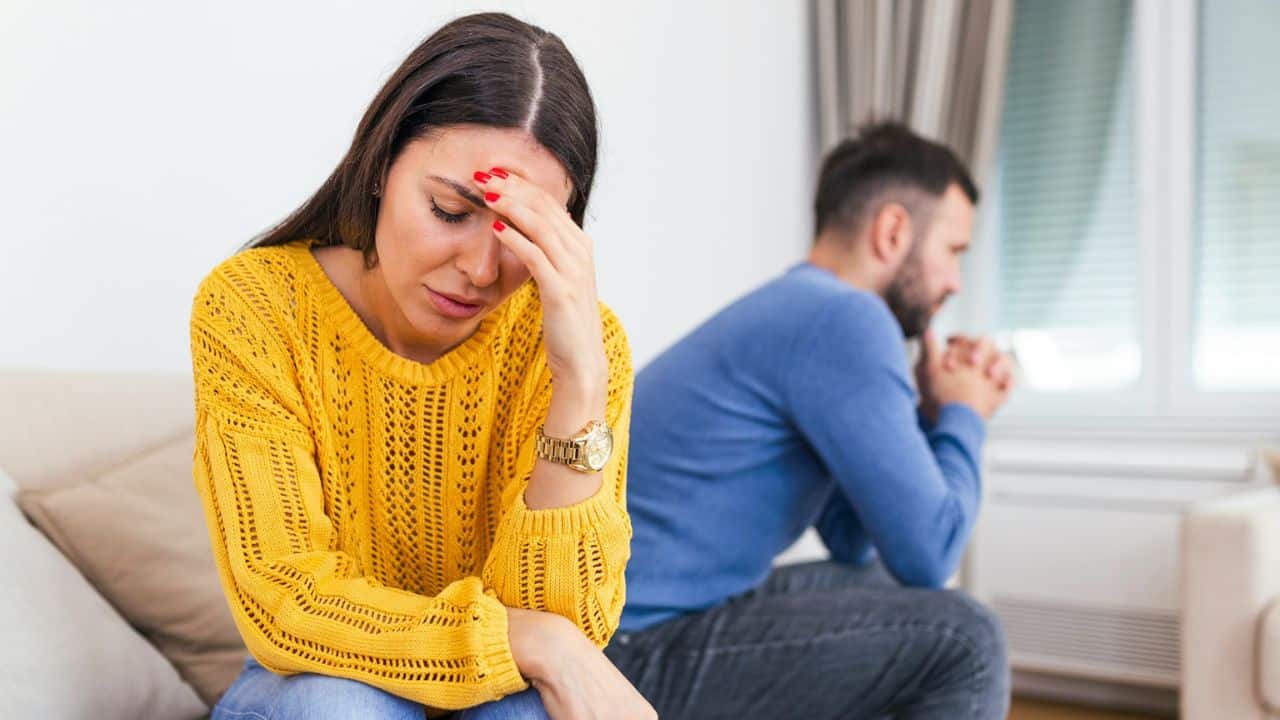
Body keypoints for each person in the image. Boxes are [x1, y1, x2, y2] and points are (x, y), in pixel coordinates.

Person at [190, 13, 654, 720]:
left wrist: (580, 380)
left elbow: (573, 626)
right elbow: (286, 596)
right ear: (379, 168)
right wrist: (534, 643)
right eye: (448, 210)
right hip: (313, 686)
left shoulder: (578, 347)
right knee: (338, 706)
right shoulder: (255, 307)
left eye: (522, 236)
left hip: (499, 695)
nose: (478, 269)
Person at [603, 122, 1015, 719]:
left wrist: (924, 417)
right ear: (894, 230)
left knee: (883, 583)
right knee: (966, 641)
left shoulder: (805, 309)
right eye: (953, 252)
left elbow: (852, 538)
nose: (954, 282)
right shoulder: (847, 321)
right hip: (627, 655)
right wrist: (964, 412)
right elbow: (932, 552)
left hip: (644, 627)